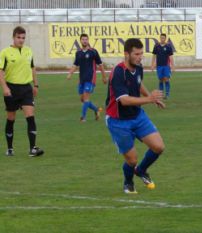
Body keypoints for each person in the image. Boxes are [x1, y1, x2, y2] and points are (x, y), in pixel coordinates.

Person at [106, 38, 166, 194]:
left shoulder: (138, 68)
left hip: (138, 116)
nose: (140, 57)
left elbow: (138, 84)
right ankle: (128, 181)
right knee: (131, 160)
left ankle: (141, 170)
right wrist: (149, 99)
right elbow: (124, 100)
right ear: (126, 54)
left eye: (141, 54)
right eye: (137, 54)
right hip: (118, 122)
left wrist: (153, 99)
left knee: (159, 147)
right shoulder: (118, 72)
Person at [0, 26, 43, 157]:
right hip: (11, 88)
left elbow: (33, 68)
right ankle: (10, 148)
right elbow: (0, 72)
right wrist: (5, 88)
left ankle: (32, 149)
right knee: (11, 118)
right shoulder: (5, 52)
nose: (21, 40)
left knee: (30, 117)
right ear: (13, 37)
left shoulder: (28, 51)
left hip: (26, 88)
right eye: (18, 37)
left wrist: (35, 85)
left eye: (23, 38)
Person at [66, 33, 107, 122]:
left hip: (90, 78)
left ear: (88, 41)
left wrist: (104, 77)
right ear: (80, 41)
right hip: (82, 79)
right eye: (83, 39)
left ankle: (82, 117)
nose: (85, 41)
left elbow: (100, 65)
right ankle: (96, 110)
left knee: (86, 98)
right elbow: (75, 65)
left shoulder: (93, 51)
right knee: (83, 99)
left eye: (86, 39)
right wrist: (70, 74)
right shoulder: (78, 53)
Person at [151, 33, 174, 99]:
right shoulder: (157, 46)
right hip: (159, 66)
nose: (162, 39)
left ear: (165, 38)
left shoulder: (168, 46)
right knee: (160, 80)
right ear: (160, 38)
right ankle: (161, 95)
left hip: (166, 66)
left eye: (163, 38)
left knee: (166, 79)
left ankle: (167, 95)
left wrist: (172, 66)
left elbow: (171, 56)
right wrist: (152, 65)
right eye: (161, 38)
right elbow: (154, 56)